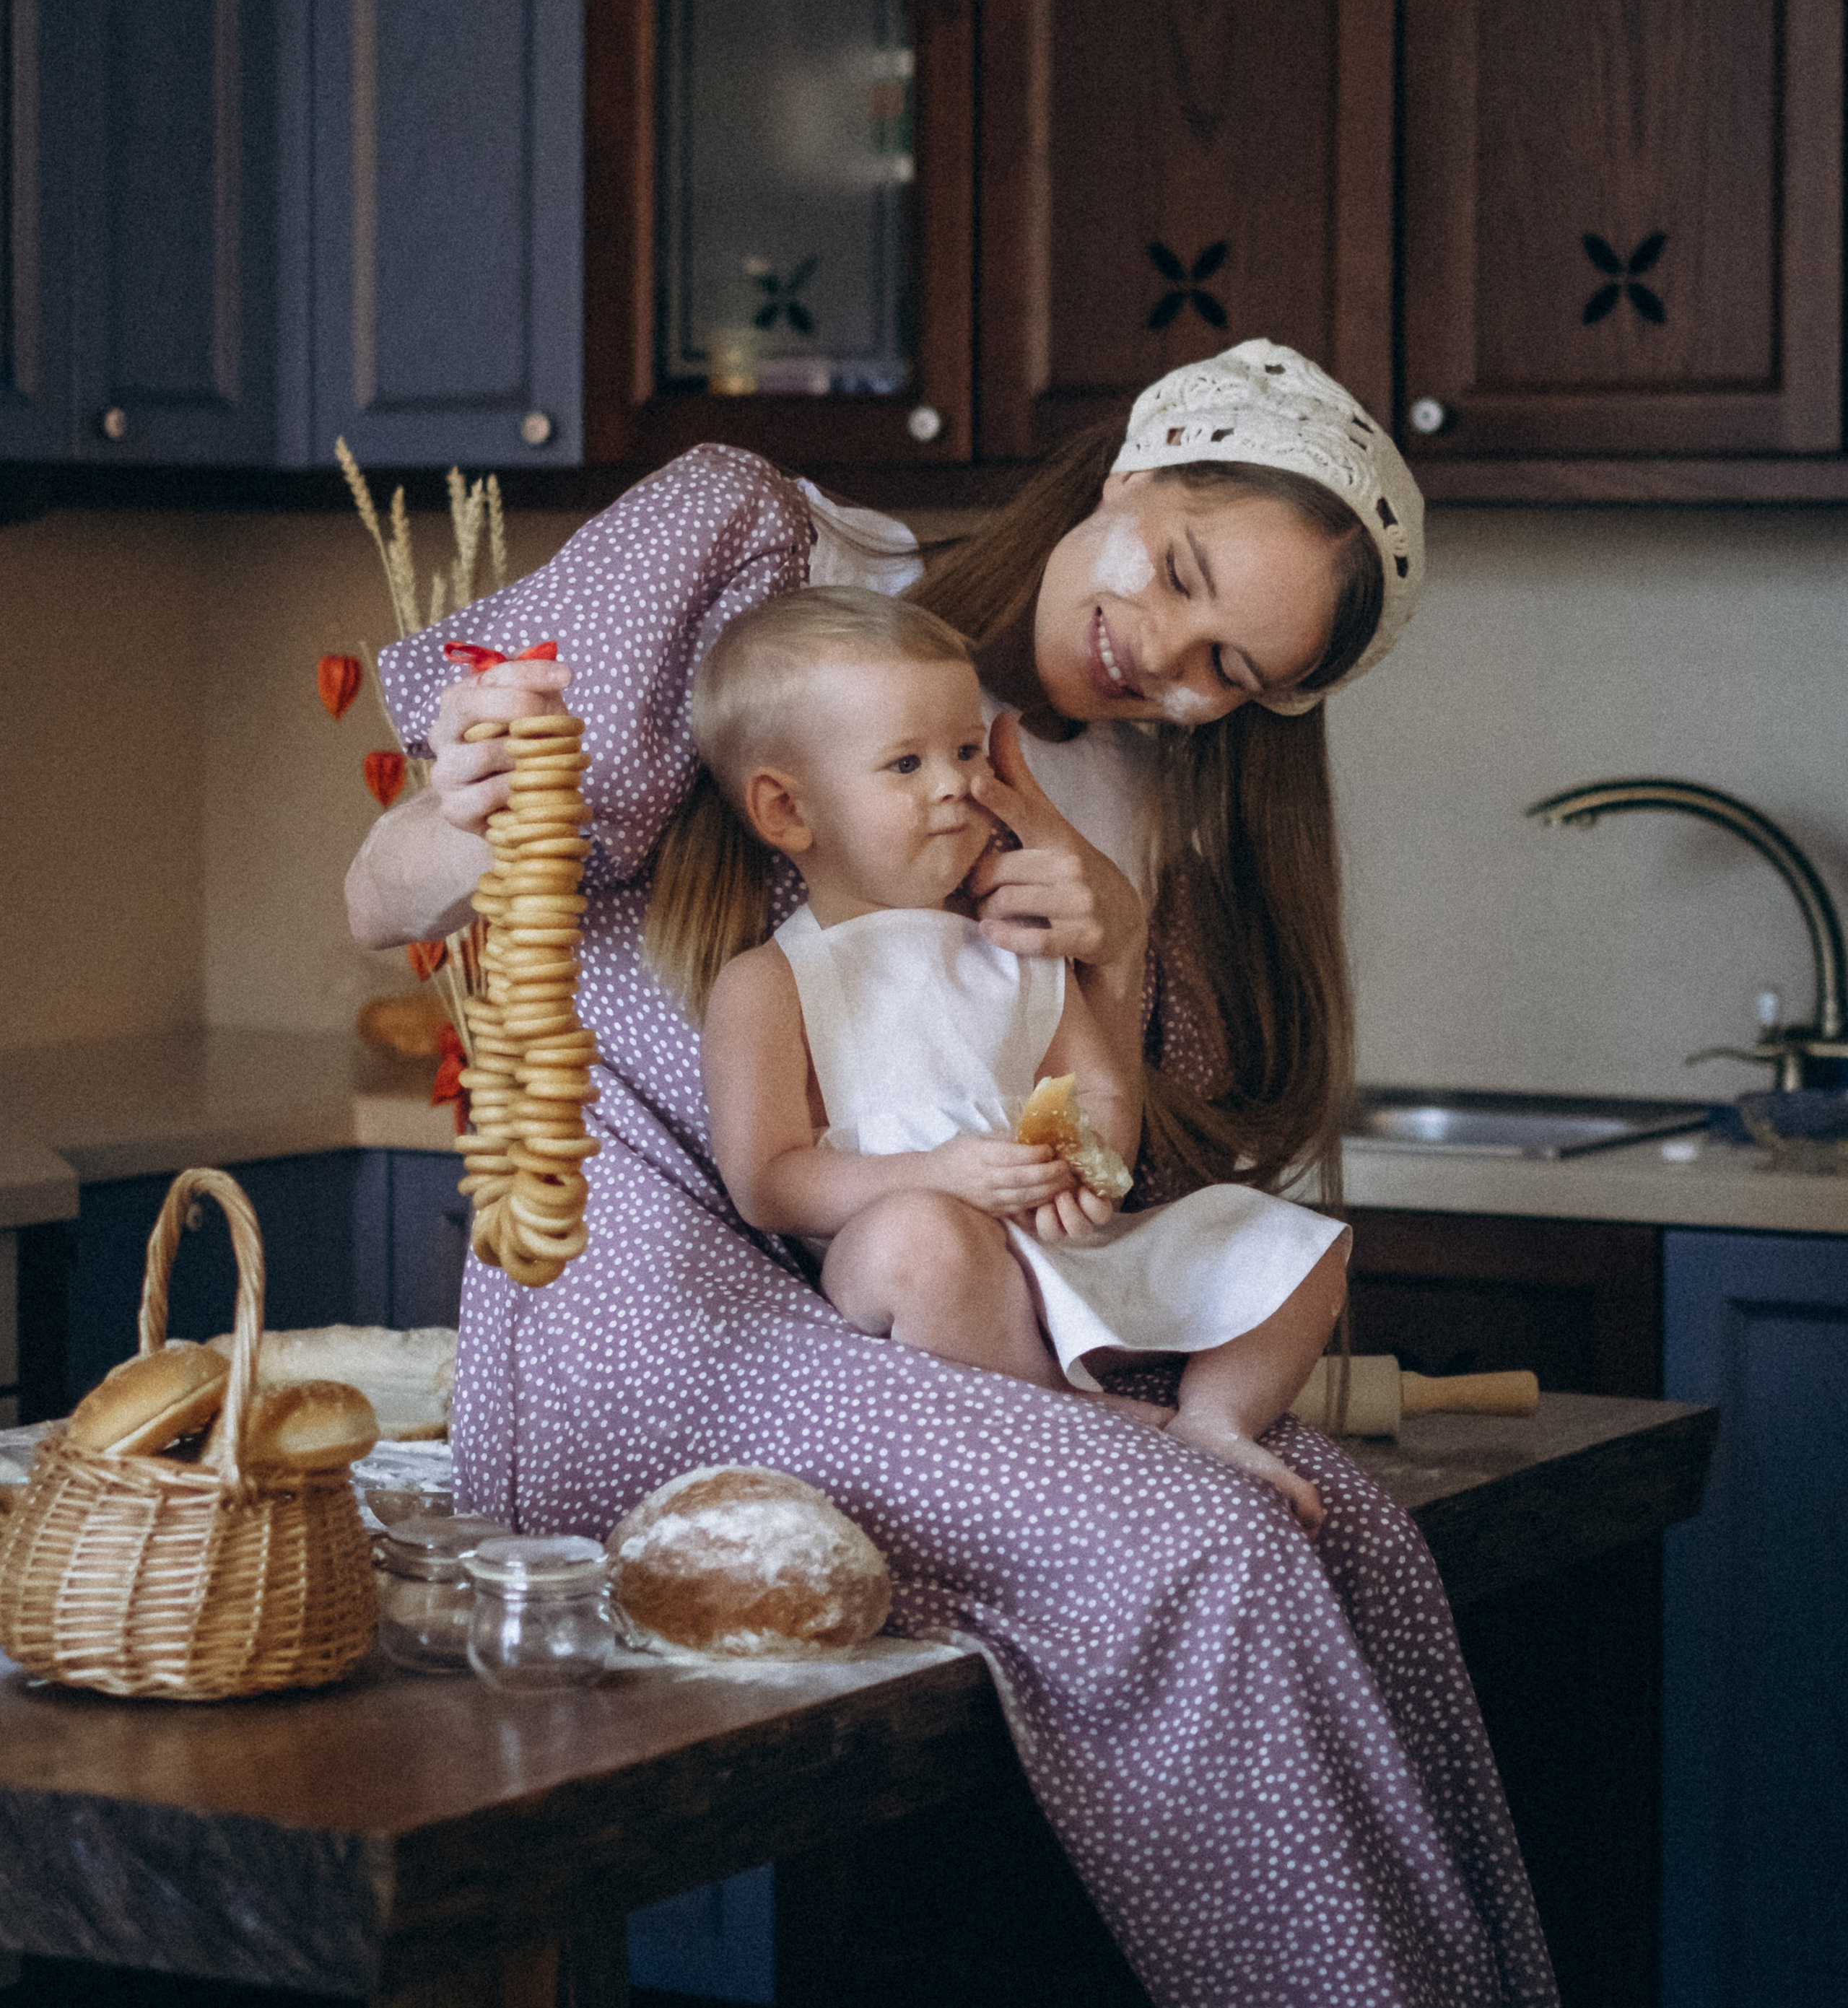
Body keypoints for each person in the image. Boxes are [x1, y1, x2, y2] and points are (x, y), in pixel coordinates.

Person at [350, 339, 1556, 2008]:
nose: (1166, 660)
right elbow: (403, 885)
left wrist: (1113, 958)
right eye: (1183, 573)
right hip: (649, 1325)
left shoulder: (1134, 818)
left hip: (914, 1324)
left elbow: (1110, 1166)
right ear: (1134, 464)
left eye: (1230, 667)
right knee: (1202, 1550)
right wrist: (443, 825)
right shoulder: (755, 560)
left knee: (1352, 1538)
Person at [671, 585, 1351, 1531]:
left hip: (1049, 1252)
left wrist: (1088, 1162)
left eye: (961, 750)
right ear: (788, 810)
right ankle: (1062, 1422)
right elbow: (769, 1182)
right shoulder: (772, 981)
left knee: (1289, 1239)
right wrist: (938, 1176)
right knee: (926, 1237)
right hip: (909, 1257)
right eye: (906, 762)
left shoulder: (1013, 942)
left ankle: (1214, 1420)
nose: (954, 783)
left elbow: (1096, 1088)